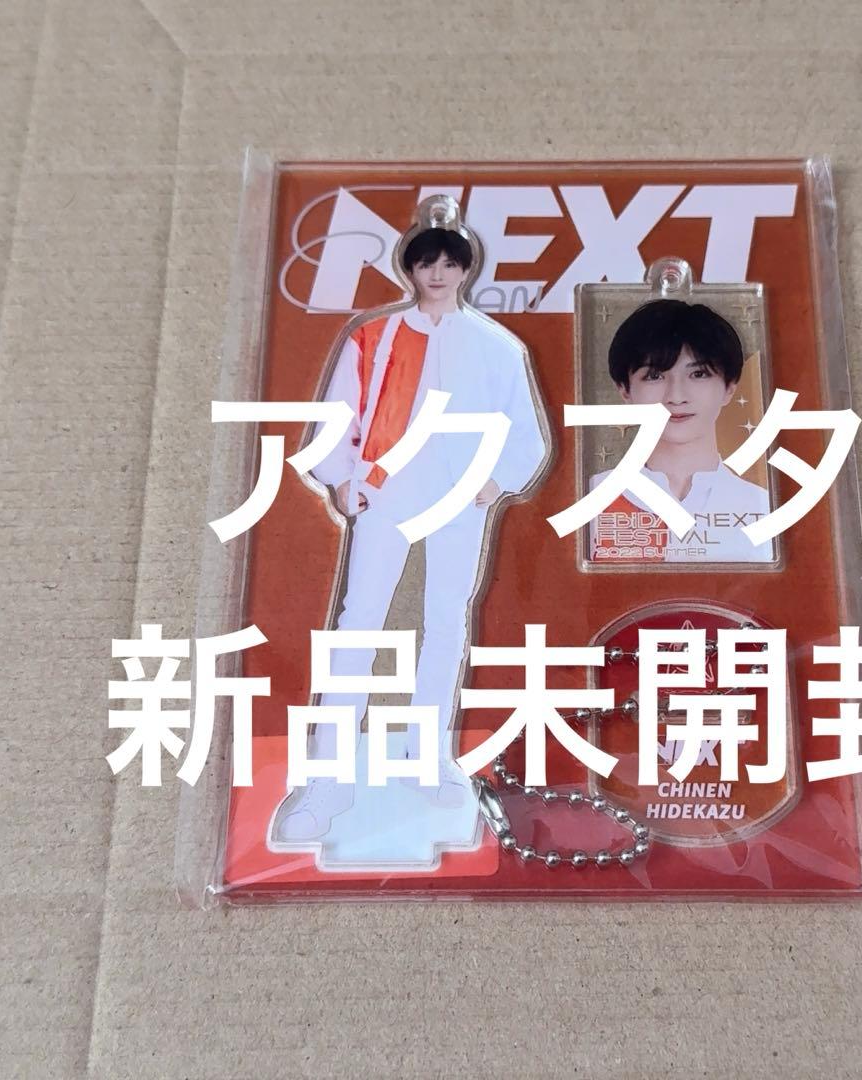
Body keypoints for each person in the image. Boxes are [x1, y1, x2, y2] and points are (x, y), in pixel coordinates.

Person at [272, 208, 549, 862]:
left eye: (449, 262)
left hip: (461, 498)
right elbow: (340, 414)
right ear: (412, 267)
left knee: (446, 622)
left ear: (465, 267)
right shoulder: (375, 336)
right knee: (358, 623)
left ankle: (427, 759)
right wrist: (342, 480)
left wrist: (495, 483)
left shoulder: (497, 346)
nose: (438, 273)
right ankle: (325, 783)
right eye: (428, 262)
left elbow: (525, 432)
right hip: (386, 491)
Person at [589, 299, 773, 564]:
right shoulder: (591, 497)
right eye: (654, 375)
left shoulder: (762, 507)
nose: (676, 397)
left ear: (730, 387)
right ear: (625, 390)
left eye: (698, 374)